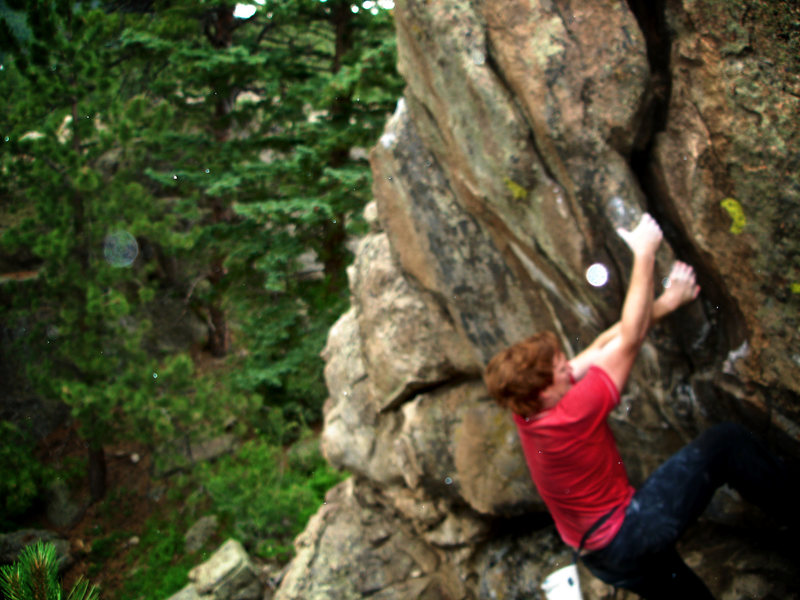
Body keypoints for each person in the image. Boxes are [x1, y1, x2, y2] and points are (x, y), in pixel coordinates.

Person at [484, 214, 795, 598]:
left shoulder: (528, 406)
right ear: (546, 392)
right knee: (725, 443)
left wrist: (665, 303)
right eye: (560, 368)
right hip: (629, 533)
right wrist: (645, 253)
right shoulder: (573, 410)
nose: (568, 365)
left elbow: (601, 346)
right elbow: (629, 339)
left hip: (602, 556)